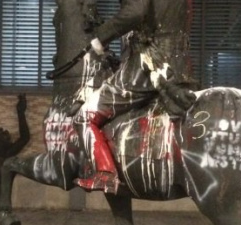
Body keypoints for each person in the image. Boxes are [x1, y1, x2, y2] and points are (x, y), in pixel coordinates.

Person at [72, 0, 199, 194]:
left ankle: (105, 174)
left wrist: (100, 36)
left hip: (147, 66)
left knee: (84, 115)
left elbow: (135, 12)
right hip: (181, 65)